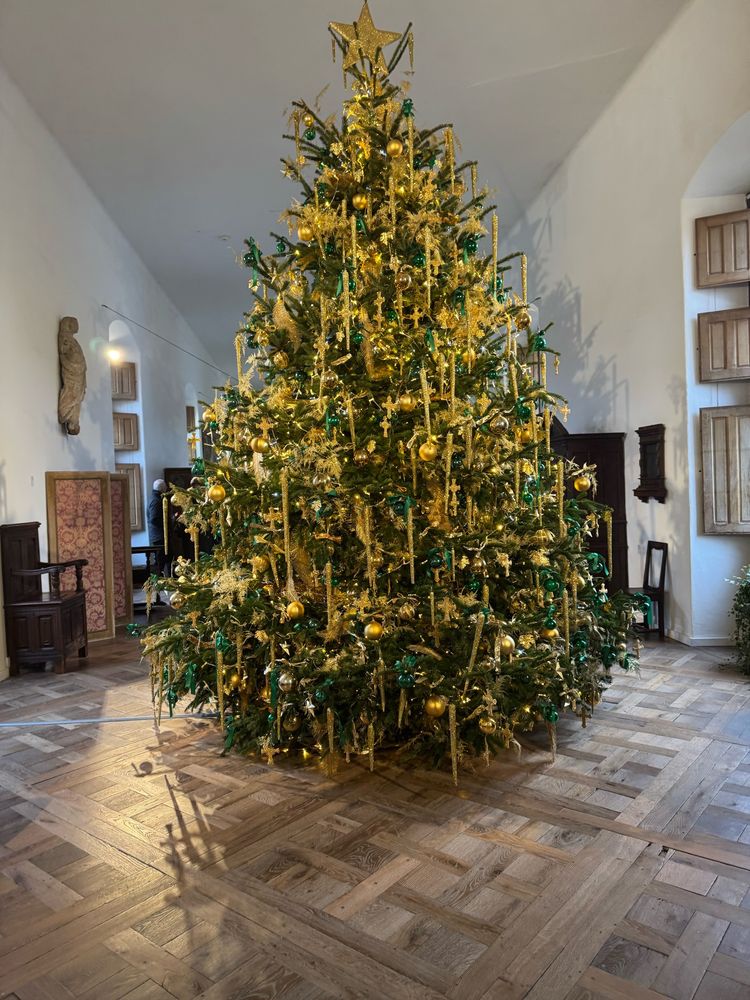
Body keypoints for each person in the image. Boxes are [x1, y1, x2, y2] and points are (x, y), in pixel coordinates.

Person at [147, 479, 170, 582]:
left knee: (166, 558)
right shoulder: (156, 501)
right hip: (159, 537)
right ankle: (158, 582)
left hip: (159, 536)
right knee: (160, 561)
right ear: (162, 488)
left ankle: (165, 579)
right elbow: (154, 519)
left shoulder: (155, 498)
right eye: (165, 487)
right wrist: (167, 523)